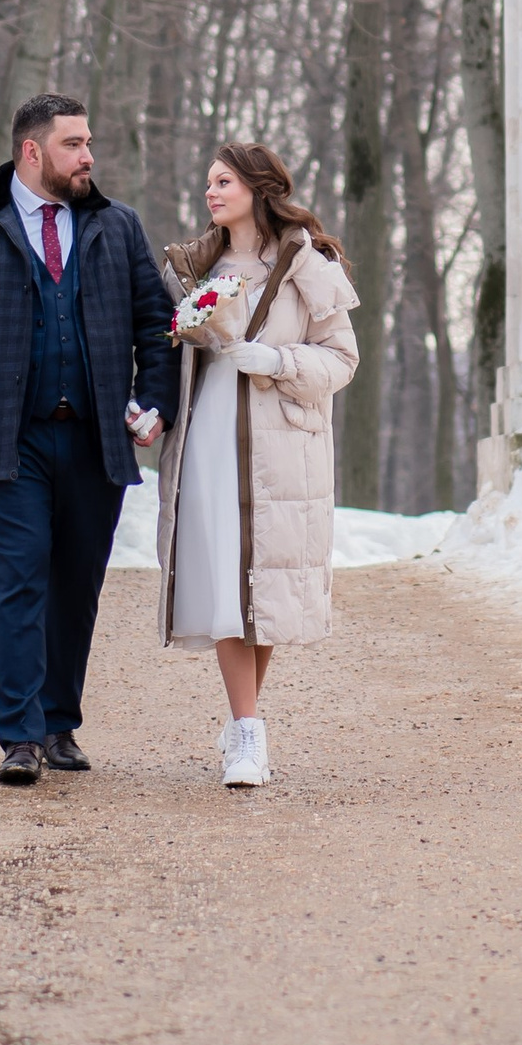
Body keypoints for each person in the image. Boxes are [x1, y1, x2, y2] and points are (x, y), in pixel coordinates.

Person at [0, 92, 178, 787]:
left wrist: (153, 400)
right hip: (7, 439)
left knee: (76, 583)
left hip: (94, 440)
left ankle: (59, 723)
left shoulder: (117, 227)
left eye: (89, 141)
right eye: (73, 143)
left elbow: (157, 324)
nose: (88, 155)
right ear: (32, 150)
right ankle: (20, 736)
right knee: (18, 575)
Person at [156, 137, 360, 788]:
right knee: (222, 575)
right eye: (208, 181)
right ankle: (248, 730)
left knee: (261, 581)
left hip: (279, 447)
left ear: (257, 187)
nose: (211, 191)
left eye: (224, 181)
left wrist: (278, 362)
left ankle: (245, 726)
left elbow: (342, 359)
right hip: (209, 435)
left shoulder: (308, 263)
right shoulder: (196, 265)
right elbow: (175, 347)